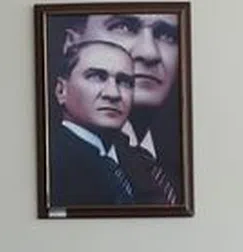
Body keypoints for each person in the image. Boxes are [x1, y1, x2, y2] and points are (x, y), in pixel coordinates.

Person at [65, 12, 183, 204]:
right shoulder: (58, 161)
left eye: (167, 36)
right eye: (123, 27)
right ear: (72, 43)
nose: (150, 53)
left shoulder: (180, 166)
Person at [48, 40, 141, 207]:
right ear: (61, 90)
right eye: (97, 77)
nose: (113, 94)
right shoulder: (50, 162)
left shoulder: (142, 165)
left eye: (124, 82)